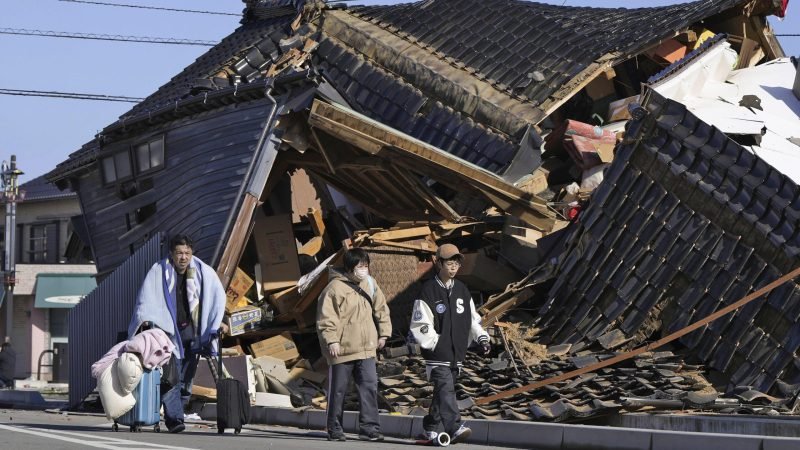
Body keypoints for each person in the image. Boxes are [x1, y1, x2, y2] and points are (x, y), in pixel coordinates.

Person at [128, 234, 226, 433]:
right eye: (179, 253)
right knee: (172, 376)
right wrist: (145, 320)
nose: (183, 257)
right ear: (171, 254)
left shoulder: (203, 272)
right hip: (167, 334)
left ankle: (177, 412)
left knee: (187, 381)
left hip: (192, 332)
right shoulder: (158, 271)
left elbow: (216, 298)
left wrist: (218, 322)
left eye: (187, 253)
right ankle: (175, 419)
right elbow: (146, 299)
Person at [409, 243, 491, 445]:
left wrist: (482, 337)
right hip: (437, 354)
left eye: (456, 262)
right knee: (446, 389)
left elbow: (472, 319)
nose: (453, 266)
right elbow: (420, 323)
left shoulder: (462, 290)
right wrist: (435, 343)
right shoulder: (428, 290)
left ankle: (429, 428)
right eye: (449, 262)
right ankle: (454, 427)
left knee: (442, 393)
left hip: (457, 353)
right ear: (438, 262)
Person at [317, 248, 392, 442]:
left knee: (369, 387)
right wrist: (332, 340)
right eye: (360, 267)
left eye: (366, 266)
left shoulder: (370, 284)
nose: (364, 270)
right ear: (350, 268)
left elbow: (381, 309)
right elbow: (326, 319)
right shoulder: (334, 289)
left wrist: (384, 333)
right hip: (342, 349)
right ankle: (334, 427)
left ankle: (370, 428)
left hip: (367, 348)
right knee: (338, 390)